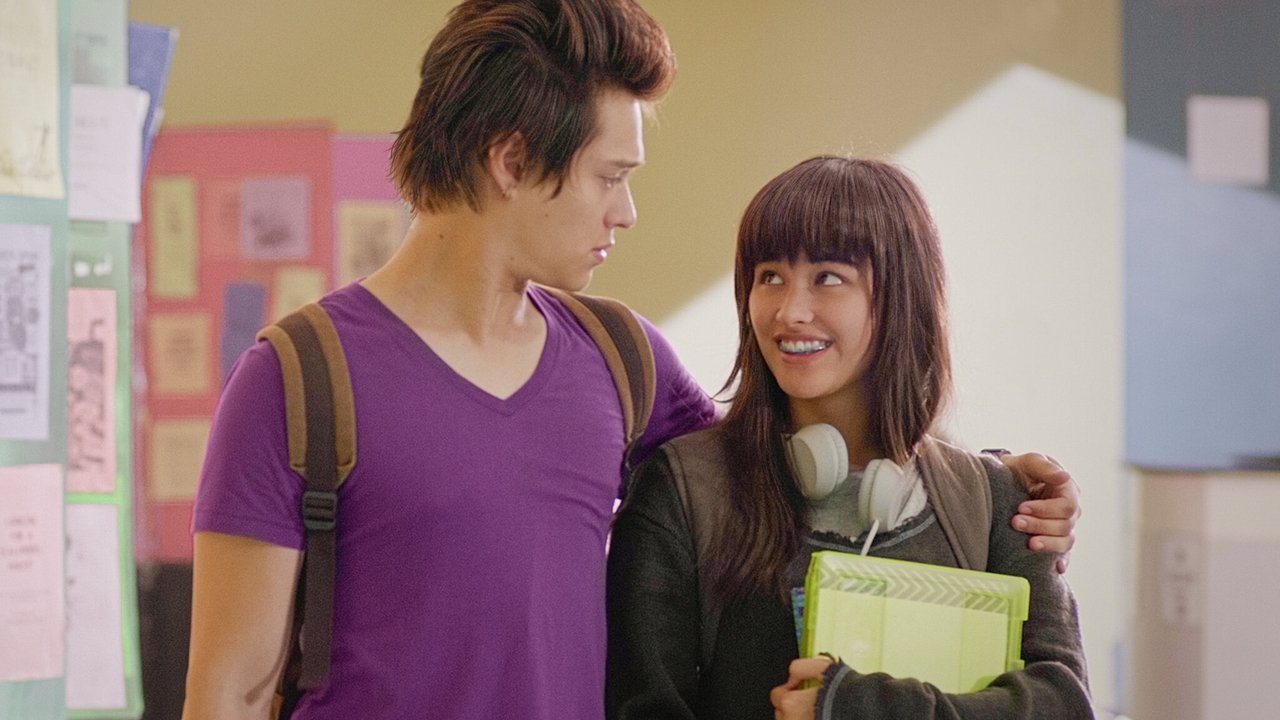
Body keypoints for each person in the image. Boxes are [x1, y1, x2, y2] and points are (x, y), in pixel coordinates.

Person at [181, 2, 1081, 718]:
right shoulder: (297, 382)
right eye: (612, 176)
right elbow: (230, 694)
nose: (627, 211)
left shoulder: (621, 362)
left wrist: (1000, 485)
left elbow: (787, 465)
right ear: (512, 160)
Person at [606, 156, 1092, 720]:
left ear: (901, 295)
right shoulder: (684, 490)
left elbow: (1064, 704)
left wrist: (858, 707)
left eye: (829, 278)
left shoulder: (999, 502)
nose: (790, 311)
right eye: (770, 277)